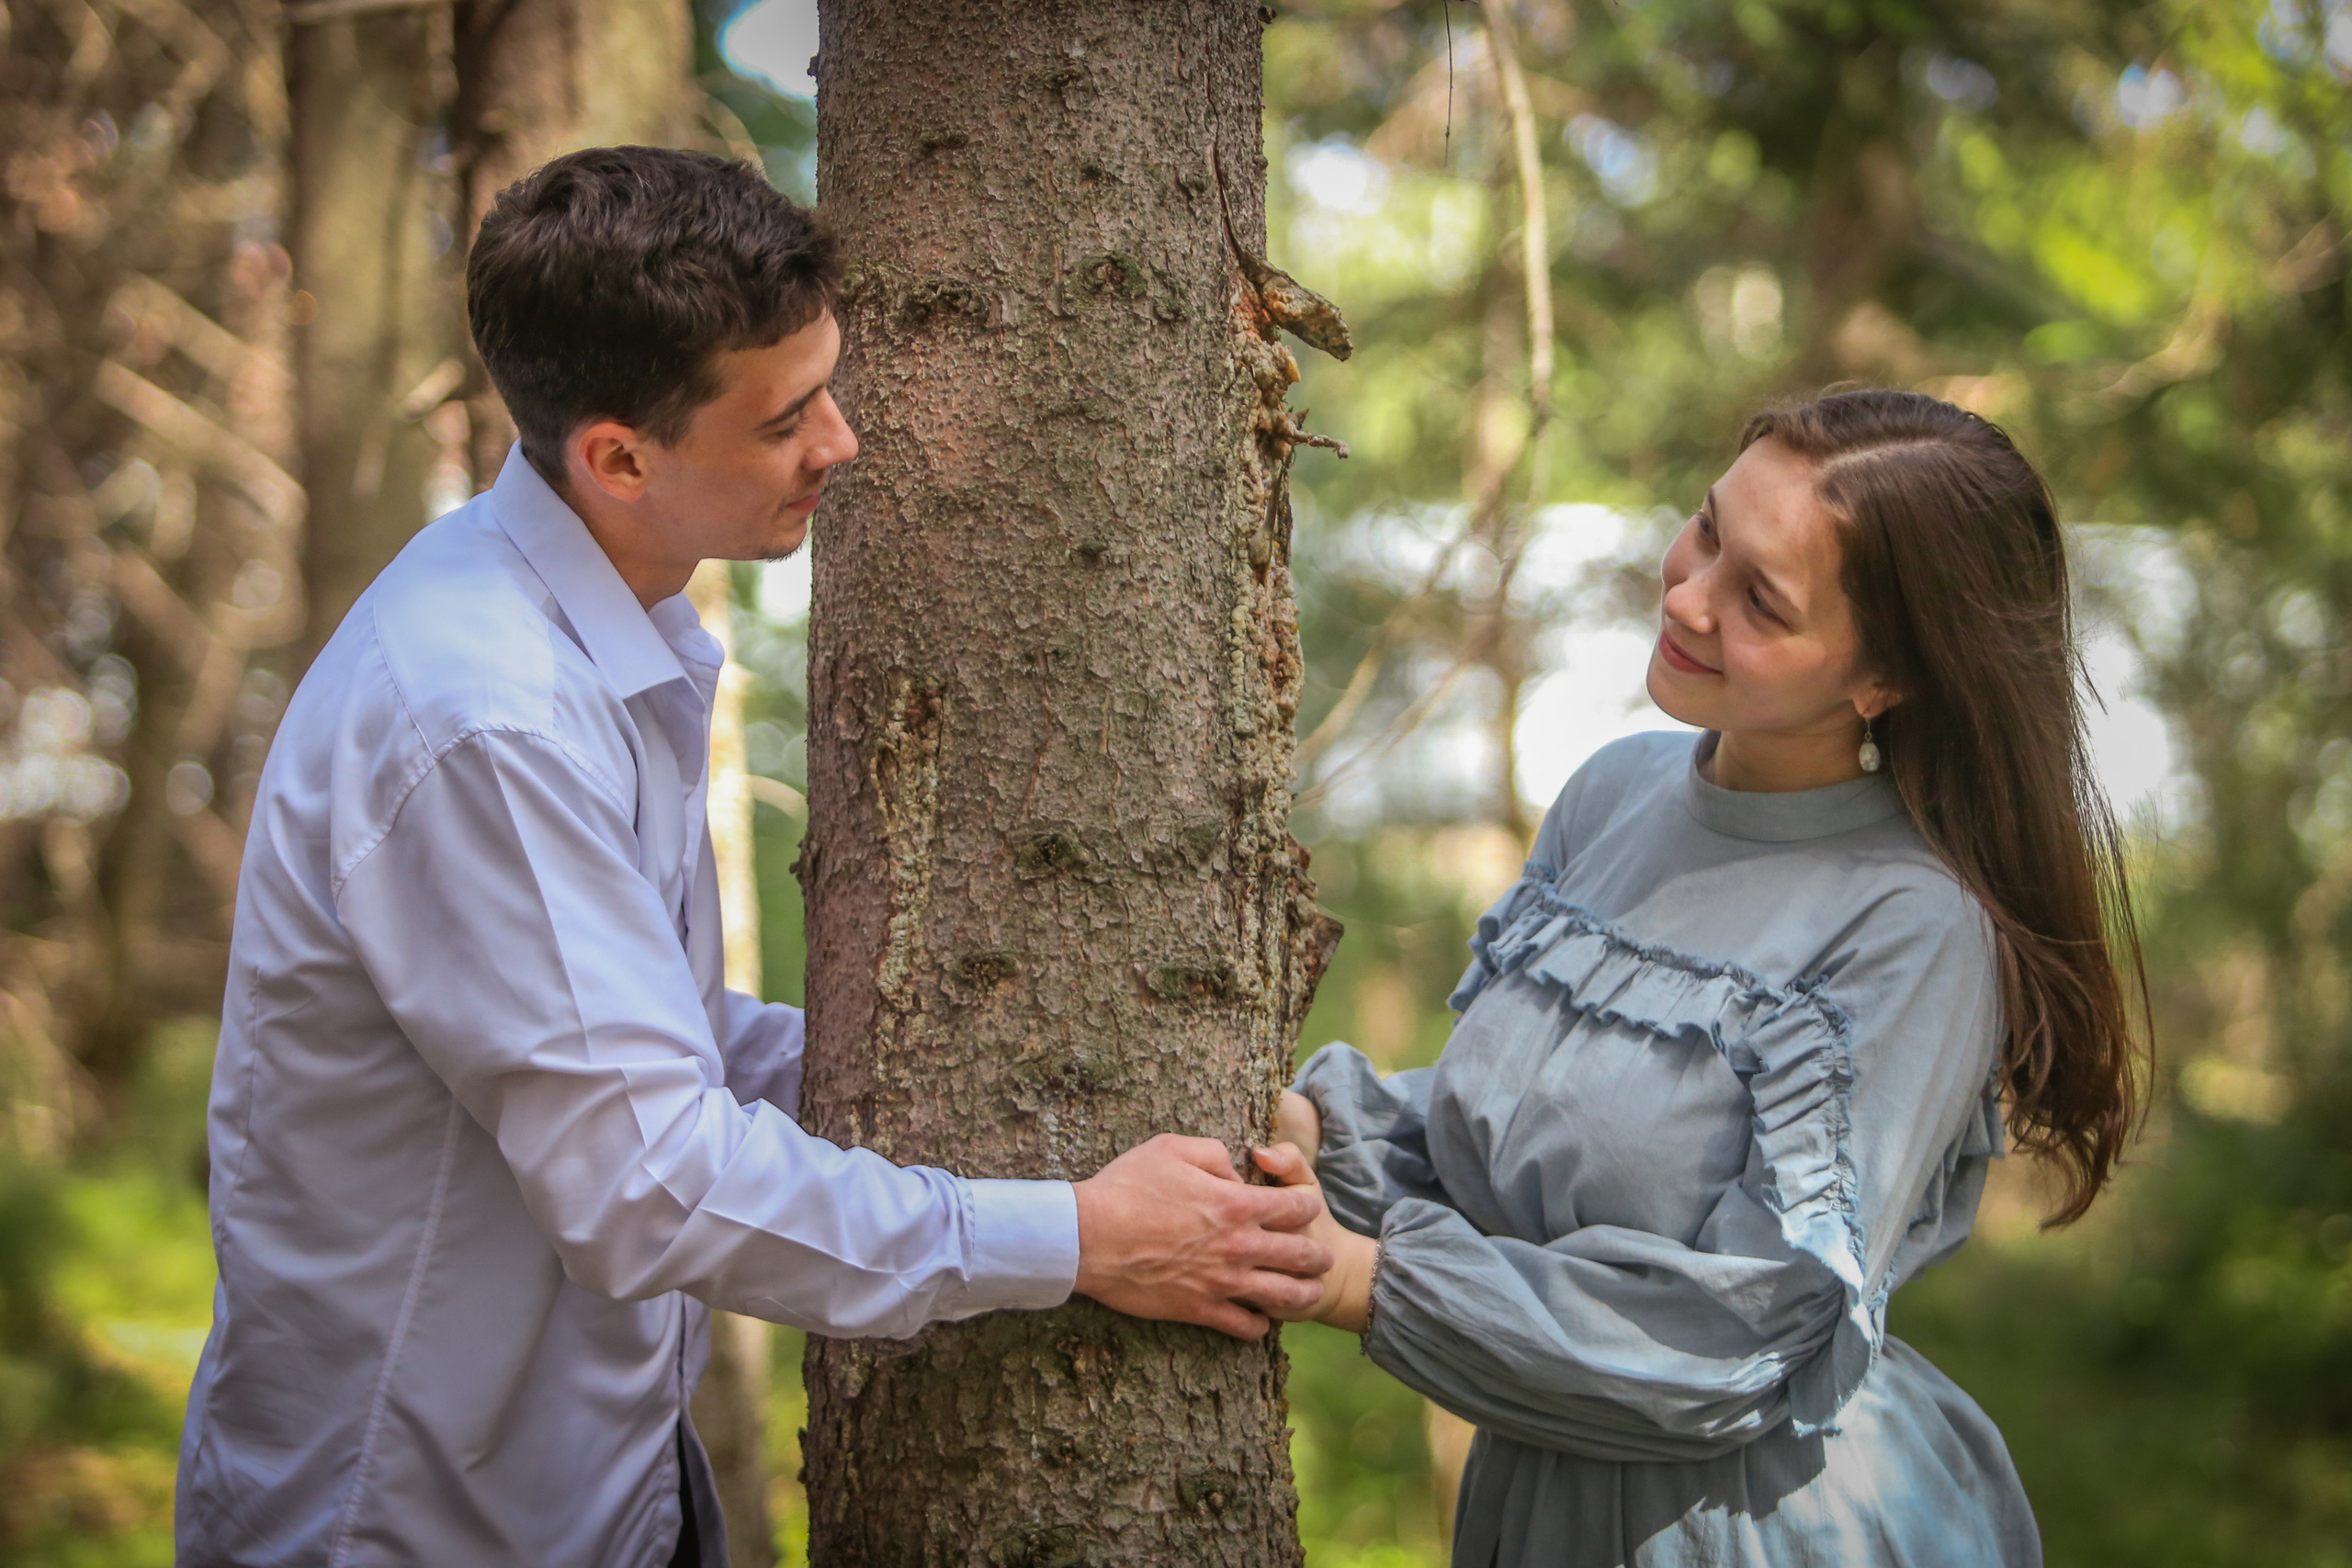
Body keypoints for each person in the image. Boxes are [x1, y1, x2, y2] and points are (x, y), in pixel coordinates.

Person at [174, 145, 1330, 1568]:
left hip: (612, 1483)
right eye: (787, 417)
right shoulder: (485, 718)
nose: (841, 442)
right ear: (617, 455)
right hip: (422, 1517)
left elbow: (642, 1045)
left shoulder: (594, 626)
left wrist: (968, 1077)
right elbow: (649, 1175)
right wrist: (1078, 1238)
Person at [1255, 389, 2146, 1566]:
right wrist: (1315, 1131)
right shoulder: (1615, 788)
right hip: (1537, 1498)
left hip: (1753, 1527)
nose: (1687, 596)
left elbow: (1739, 1335)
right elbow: (1528, 1142)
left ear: (1884, 679)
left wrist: (1355, 1280)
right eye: (1708, 531)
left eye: (1760, 600)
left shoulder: (1911, 925)